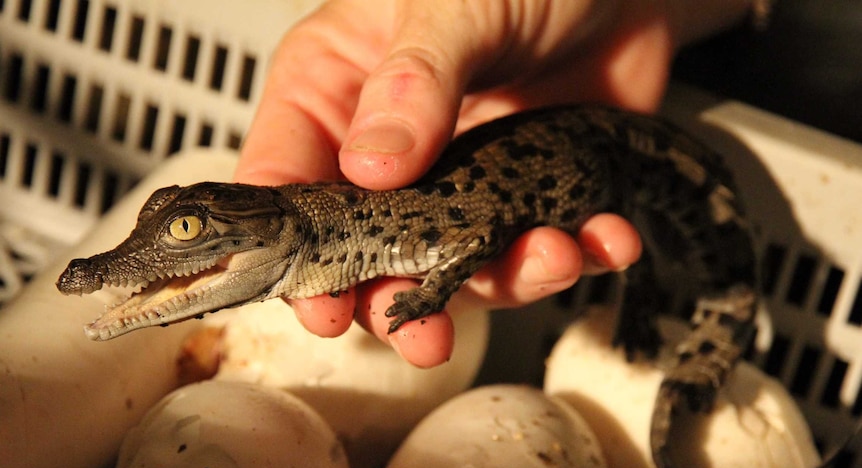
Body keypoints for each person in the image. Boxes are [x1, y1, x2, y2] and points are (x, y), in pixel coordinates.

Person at [234, 0, 766, 368]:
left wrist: (434, 292)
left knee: (638, 233)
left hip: (617, 152)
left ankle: (655, 305)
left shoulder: (391, 229)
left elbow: (474, 240)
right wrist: (641, 15)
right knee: (617, 238)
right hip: (604, 114)